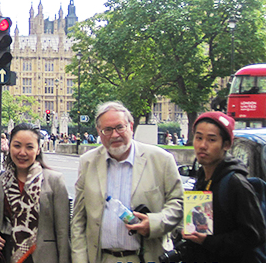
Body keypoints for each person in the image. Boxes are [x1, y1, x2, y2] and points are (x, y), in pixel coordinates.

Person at [71, 101, 183, 263]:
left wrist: (153, 224)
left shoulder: (161, 159)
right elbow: (78, 220)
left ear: (130, 126)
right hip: (102, 258)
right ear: (99, 132)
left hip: (146, 257)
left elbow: (178, 203)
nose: (115, 135)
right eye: (107, 130)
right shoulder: (87, 162)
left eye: (119, 127)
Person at [181, 111, 266, 262]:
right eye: (198, 138)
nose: (202, 145)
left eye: (211, 140)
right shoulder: (202, 177)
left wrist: (208, 241)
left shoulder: (235, 183)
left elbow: (254, 235)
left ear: (226, 145)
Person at [0, 123, 70, 263]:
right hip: (6, 255)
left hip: (42, 256)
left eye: (29, 147)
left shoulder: (54, 181)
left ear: (38, 150)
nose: (22, 153)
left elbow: (63, 232)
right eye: (17, 146)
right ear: (9, 146)